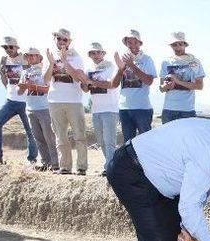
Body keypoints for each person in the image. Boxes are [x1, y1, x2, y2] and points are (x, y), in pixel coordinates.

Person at [0, 36, 38, 167]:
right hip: (11, 100)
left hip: (27, 101)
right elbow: (6, 84)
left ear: (17, 47)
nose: (8, 49)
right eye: (5, 47)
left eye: (11, 47)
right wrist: (1, 73)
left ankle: (32, 160)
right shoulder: (4, 60)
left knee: (30, 131)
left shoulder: (25, 58)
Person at [44, 28, 89, 175]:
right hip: (55, 100)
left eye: (65, 39)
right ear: (55, 40)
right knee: (60, 135)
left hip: (74, 101)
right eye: (59, 39)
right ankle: (65, 166)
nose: (62, 42)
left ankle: (81, 167)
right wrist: (51, 64)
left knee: (79, 135)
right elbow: (45, 80)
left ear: (69, 41)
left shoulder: (77, 57)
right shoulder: (50, 56)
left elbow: (77, 78)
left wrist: (64, 61)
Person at [18, 47, 58, 172]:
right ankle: (45, 162)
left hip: (44, 107)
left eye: (33, 55)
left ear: (39, 57)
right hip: (30, 108)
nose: (30, 58)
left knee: (49, 137)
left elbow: (47, 89)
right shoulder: (25, 72)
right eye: (28, 56)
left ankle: (55, 163)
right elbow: (19, 92)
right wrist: (23, 87)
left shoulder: (45, 70)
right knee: (38, 138)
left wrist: (31, 86)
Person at [82, 42, 120, 175]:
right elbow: (85, 89)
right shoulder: (88, 69)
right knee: (101, 141)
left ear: (103, 53)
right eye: (93, 52)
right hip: (96, 110)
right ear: (90, 55)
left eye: (99, 52)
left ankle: (110, 168)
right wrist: (84, 82)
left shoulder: (111, 66)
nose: (96, 55)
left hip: (110, 109)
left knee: (109, 141)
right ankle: (110, 165)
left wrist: (93, 82)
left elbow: (111, 84)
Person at [113, 30, 157, 142]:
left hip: (142, 108)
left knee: (146, 142)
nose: (132, 45)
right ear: (126, 44)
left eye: (135, 42)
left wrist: (132, 66)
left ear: (140, 44)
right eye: (129, 42)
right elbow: (114, 84)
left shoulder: (147, 59)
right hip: (124, 108)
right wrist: (121, 69)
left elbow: (149, 81)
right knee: (128, 143)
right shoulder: (122, 60)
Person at [159, 32, 205, 123]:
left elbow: (199, 86)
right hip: (169, 109)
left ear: (185, 45)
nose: (178, 47)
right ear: (171, 46)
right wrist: (167, 86)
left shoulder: (193, 62)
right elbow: (161, 88)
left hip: (187, 110)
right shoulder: (166, 62)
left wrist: (178, 81)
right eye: (174, 45)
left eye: (180, 44)